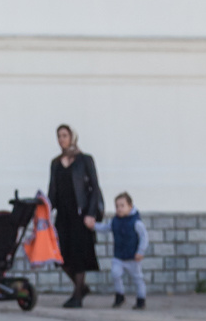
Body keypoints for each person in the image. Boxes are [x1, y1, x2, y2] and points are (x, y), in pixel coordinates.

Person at [49, 124, 104, 309]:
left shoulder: (85, 160)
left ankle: (77, 296)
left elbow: (95, 188)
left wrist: (91, 214)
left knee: (79, 256)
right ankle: (81, 287)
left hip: (80, 216)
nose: (62, 139)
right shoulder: (55, 163)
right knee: (61, 256)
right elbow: (52, 192)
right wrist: (44, 210)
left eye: (65, 135)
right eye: (59, 136)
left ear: (72, 137)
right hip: (63, 216)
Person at [107, 192, 149, 308]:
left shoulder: (136, 222)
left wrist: (141, 251)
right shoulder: (115, 221)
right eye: (117, 206)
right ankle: (119, 295)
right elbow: (106, 227)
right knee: (115, 273)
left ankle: (141, 299)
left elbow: (144, 237)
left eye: (122, 205)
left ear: (130, 206)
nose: (119, 209)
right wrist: (94, 226)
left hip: (133, 257)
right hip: (119, 256)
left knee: (137, 278)